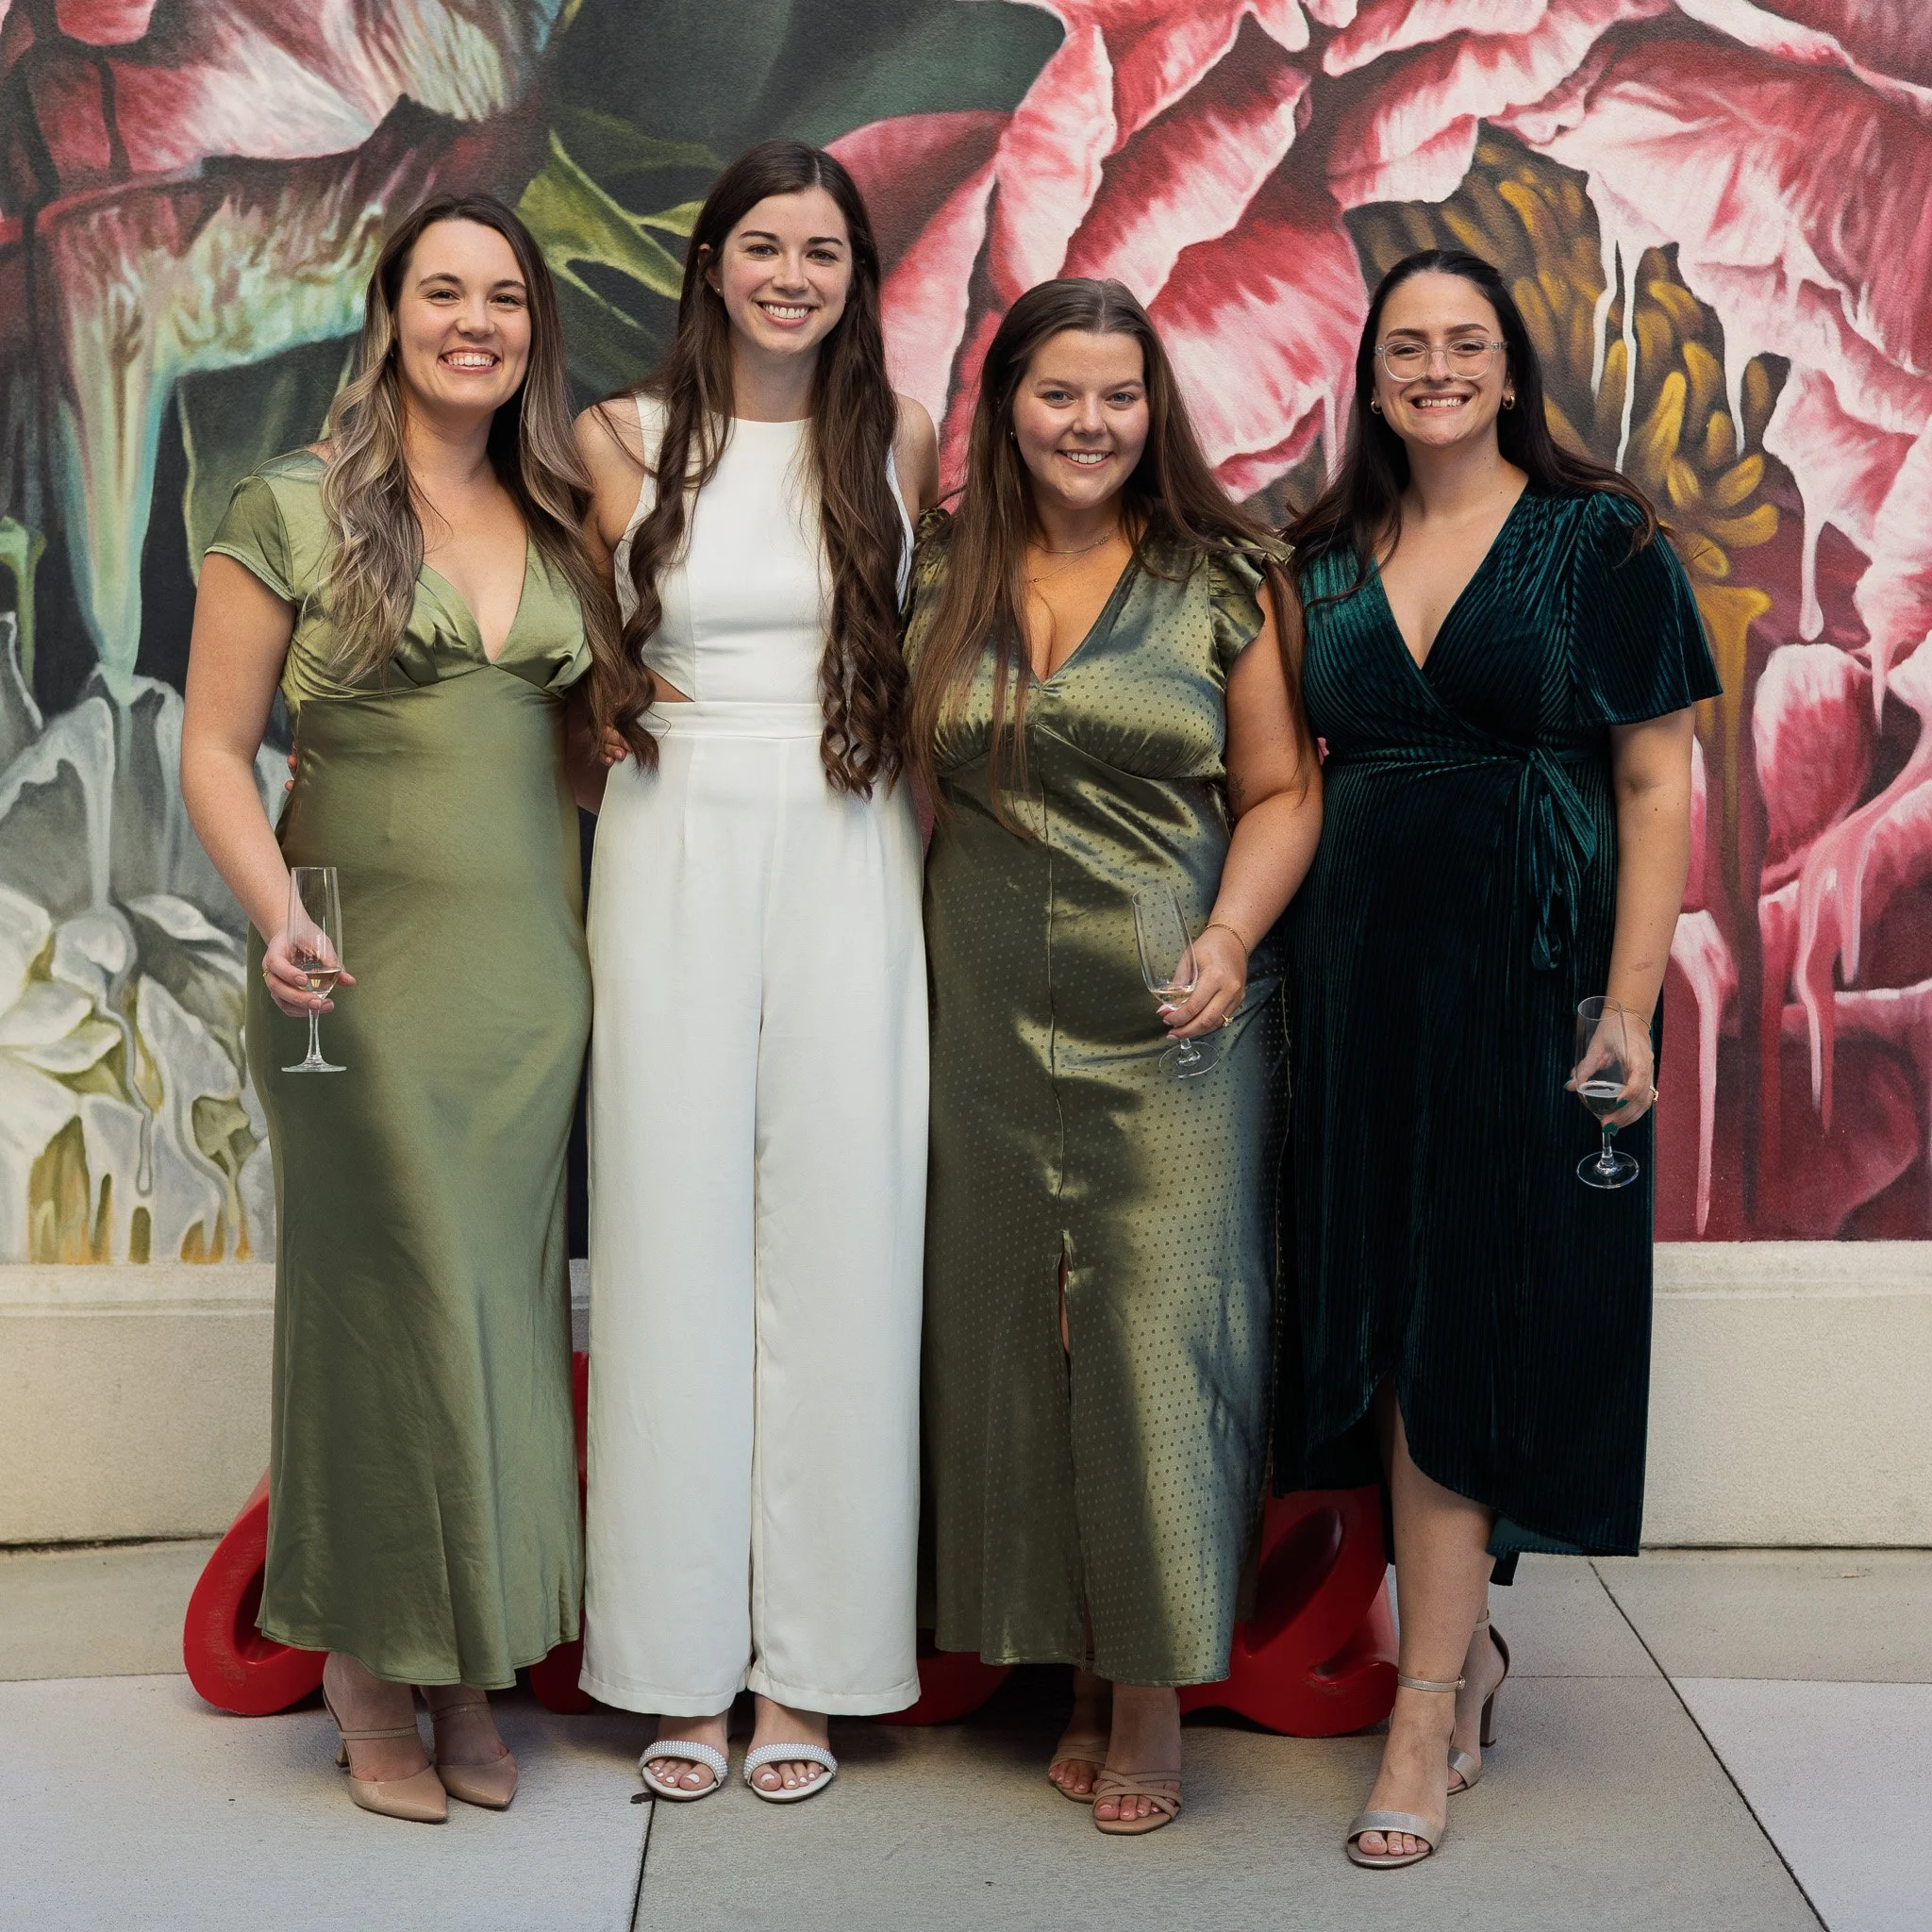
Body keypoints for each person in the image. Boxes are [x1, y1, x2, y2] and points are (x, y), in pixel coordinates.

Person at [1278, 247, 1720, 1869]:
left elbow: (1658, 785)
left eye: (1467, 343)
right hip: (1354, 979)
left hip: (1532, 968)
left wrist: (1628, 1003)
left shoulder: (1599, 541)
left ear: (1512, 372)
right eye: (1409, 346)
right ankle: (1466, 1654)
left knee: (1467, 1312)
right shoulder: (1323, 551)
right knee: (1384, 1325)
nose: (1438, 368)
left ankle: (1423, 1698)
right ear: (1374, 376)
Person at [181, 195, 614, 1822]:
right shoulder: (288, 504)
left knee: (501, 1316)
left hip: (526, 990)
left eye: (505, 297)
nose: (476, 321)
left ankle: (473, 1659)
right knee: (388, 1311)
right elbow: (216, 749)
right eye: (445, 291)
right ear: (391, 310)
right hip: (345, 967)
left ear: (532, 329)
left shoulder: (564, 515)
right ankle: (371, 1664)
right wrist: (276, 911)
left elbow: (573, 758)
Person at [905, 277, 1322, 1838]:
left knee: (1159, 1344)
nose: (1090, 424)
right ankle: (1071, 1656)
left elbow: (1283, 791)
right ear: (1006, 405)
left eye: (1119, 396)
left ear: (1156, 411)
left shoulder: (1225, 574)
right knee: (1018, 1338)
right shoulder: (938, 568)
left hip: (1177, 1011)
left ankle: (1148, 1688)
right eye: (1060, 394)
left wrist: (1227, 941)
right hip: (987, 1016)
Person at [573, 140, 939, 1804]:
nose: (794, 276)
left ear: (857, 279)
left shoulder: (899, 439)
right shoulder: (619, 441)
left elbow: (927, 694)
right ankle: (673, 1665)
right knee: (668, 1241)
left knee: (846, 1247)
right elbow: (582, 689)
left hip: (853, 835)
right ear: (712, 260)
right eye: (765, 247)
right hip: (667, 833)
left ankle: (814, 1671)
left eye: (826, 253)